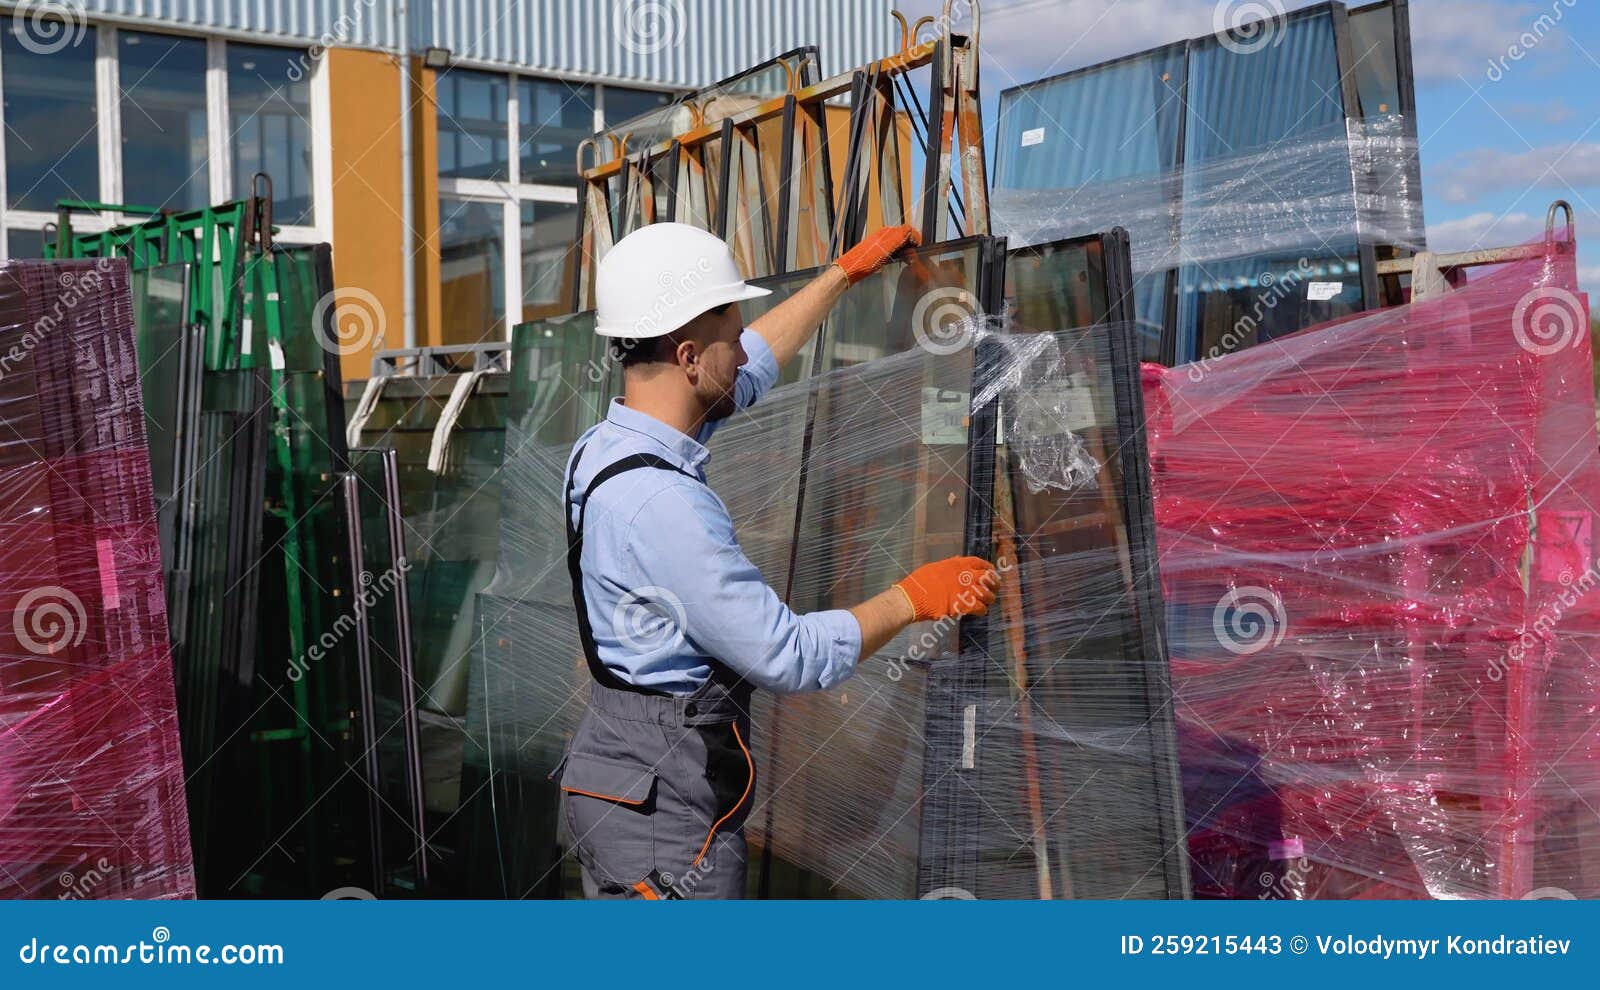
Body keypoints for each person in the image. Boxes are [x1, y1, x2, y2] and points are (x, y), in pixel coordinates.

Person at [555, 221, 998, 899]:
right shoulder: (666, 505)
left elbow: (749, 370)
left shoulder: (605, 445)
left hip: (621, 778)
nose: (744, 348)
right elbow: (788, 656)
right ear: (688, 355)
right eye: (731, 333)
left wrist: (839, 278)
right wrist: (914, 598)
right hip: (668, 827)